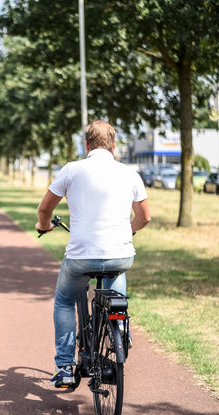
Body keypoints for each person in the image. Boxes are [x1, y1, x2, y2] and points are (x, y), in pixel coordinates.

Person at [35, 120, 151, 388]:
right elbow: (144, 217)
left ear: (86, 145)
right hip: (119, 254)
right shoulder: (129, 173)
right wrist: (127, 233)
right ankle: (120, 326)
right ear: (113, 147)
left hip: (81, 257)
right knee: (116, 272)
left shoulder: (72, 170)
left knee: (64, 300)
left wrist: (43, 226)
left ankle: (65, 366)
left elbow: (44, 210)